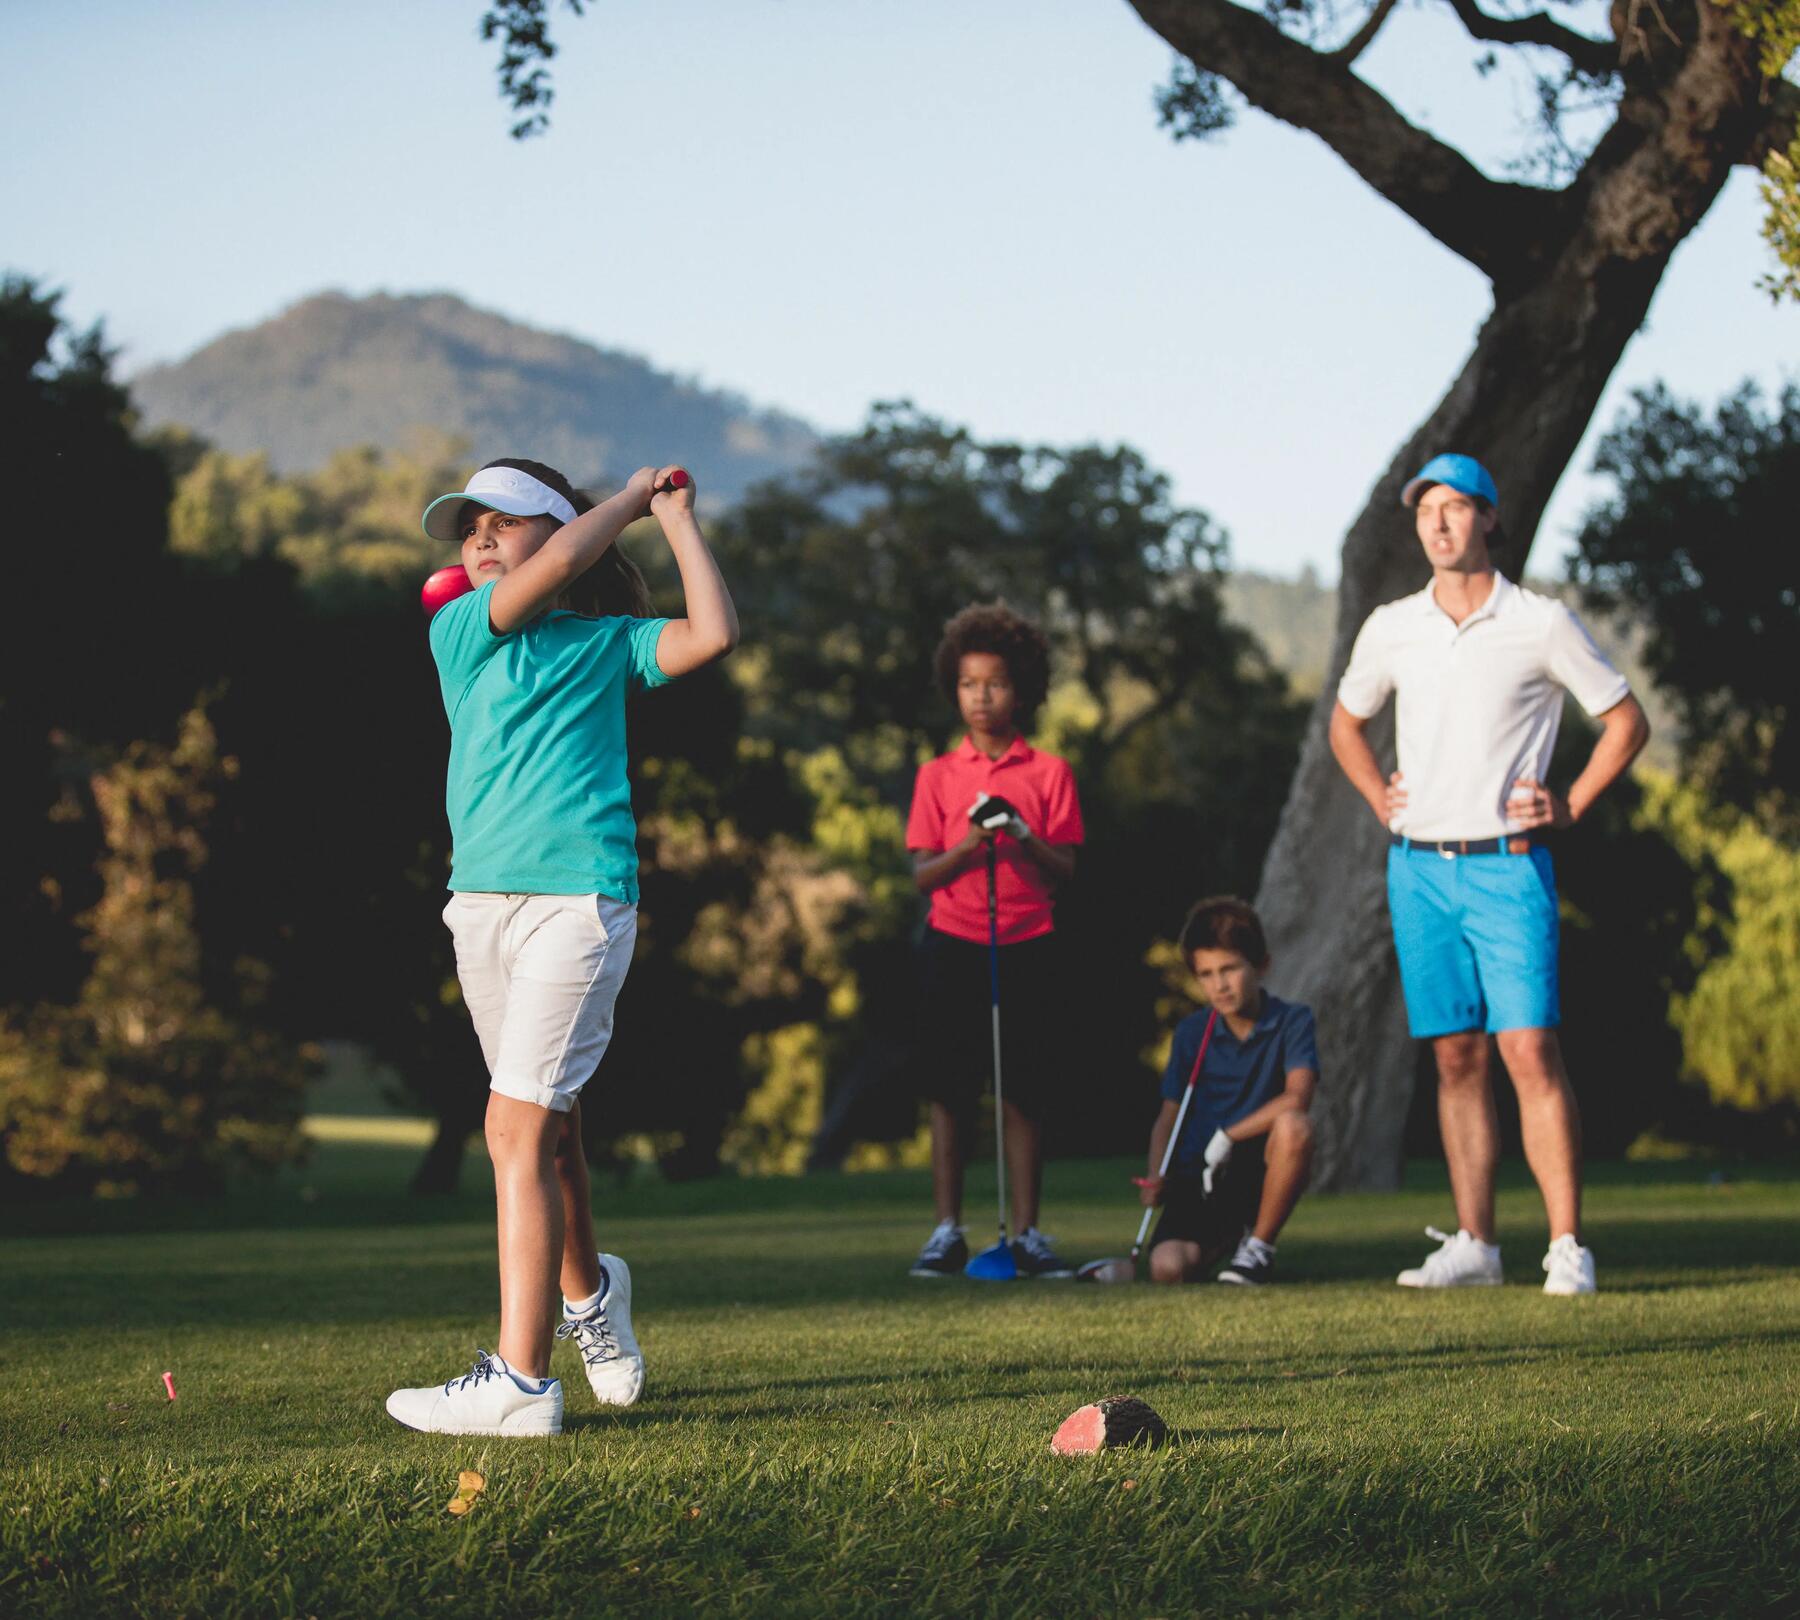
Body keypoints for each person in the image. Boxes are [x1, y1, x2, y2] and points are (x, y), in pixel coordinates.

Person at [386, 458, 738, 1435]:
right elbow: (537, 583)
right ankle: (592, 1298)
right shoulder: (460, 631)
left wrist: (665, 517)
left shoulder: (607, 644)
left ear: (563, 536)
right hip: (479, 911)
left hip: (579, 905)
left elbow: (712, 633)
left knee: (516, 1130)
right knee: (553, 1128)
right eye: (471, 529)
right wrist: (620, 504)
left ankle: (522, 1381)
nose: (484, 540)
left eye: (510, 523)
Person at [1330, 453, 1648, 1296]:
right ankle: (1476, 1242)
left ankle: (1566, 1247)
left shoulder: (1539, 622)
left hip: (1509, 868)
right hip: (1420, 869)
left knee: (1530, 1051)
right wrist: (1379, 801)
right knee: (1456, 1058)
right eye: (1425, 509)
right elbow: (1345, 726)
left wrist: (1570, 804)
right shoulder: (1393, 624)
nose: (1438, 522)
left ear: (1490, 520)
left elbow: (1624, 720)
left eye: (1456, 507)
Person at [904, 603, 1084, 1279]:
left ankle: (1029, 1233)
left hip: (1029, 940)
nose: (982, 697)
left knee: (1024, 1092)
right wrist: (971, 842)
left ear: (1022, 690)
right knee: (950, 1093)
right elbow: (923, 873)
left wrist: (1021, 835)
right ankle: (947, 1229)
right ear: (956, 688)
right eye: (970, 684)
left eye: (997, 684)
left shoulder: (1049, 774)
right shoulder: (937, 777)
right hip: (954, 942)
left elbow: (1067, 870)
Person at [1140, 897, 1318, 1286]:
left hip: (1255, 1167)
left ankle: (1257, 1248)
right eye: (1206, 974)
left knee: (1295, 1126)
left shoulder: (1293, 1021)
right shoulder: (1191, 1032)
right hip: (1199, 1176)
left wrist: (1228, 1135)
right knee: (1167, 1268)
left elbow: (1297, 1098)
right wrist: (1157, 1174)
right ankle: (1227, 1244)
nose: (1219, 984)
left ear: (1261, 966)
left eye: (1230, 969)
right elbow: (1168, 1117)